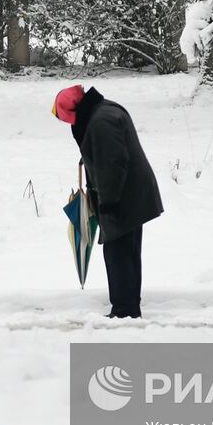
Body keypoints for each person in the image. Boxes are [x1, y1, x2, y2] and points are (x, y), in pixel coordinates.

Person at [52, 85, 163, 318]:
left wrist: (108, 203)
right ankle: (129, 305)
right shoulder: (103, 110)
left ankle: (124, 310)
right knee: (128, 251)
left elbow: (113, 164)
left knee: (118, 253)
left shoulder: (100, 122)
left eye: (66, 119)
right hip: (132, 192)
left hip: (123, 196)